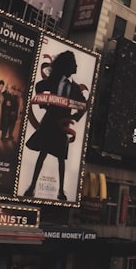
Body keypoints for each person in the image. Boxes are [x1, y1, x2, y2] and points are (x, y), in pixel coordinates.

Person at [21, 50, 88, 202]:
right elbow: (39, 86)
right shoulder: (54, 80)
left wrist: (73, 118)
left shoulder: (75, 88)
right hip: (50, 120)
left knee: (60, 158)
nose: (76, 66)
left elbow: (84, 105)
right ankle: (32, 187)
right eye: (73, 63)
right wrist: (44, 104)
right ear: (66, 65)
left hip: (62, 123)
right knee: (42, 153)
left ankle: (61, 191)